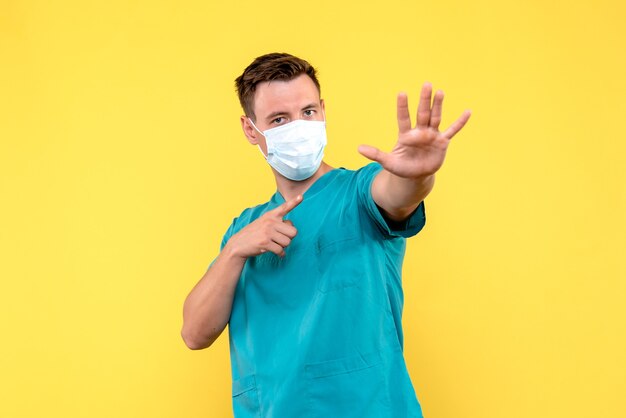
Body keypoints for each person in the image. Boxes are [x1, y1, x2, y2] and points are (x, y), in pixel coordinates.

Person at [181, 52, 471, 418]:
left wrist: (415, 175)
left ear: (323, 110)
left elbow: (396, 196)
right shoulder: (244, 229)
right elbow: (194, 333)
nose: (298, 126)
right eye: (279, 119)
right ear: (251, 130)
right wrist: (236, 250)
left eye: (308, 112)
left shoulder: (356, 195)